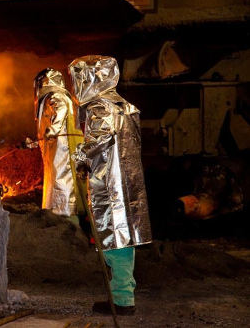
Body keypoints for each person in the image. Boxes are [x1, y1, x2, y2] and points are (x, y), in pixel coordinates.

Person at [68, 55, 153, 315]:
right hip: (129, 183)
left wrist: (79, 157)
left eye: (78, 80)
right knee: (123, 239)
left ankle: (122, 301)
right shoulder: (125, 106)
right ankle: (123, 295)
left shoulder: (100, 109)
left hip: (111, 185)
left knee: (114, 241)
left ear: (89, 79)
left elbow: (98, 143)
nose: (76, 86)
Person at [33, 68, 88, 229]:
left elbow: (61, 107)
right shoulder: (53, 97)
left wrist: (53, 129)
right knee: (56, 180)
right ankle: (57, 216)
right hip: (57, 148)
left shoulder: (56, 95)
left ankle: (67, 220)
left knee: (63, 181)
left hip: (63, 149)